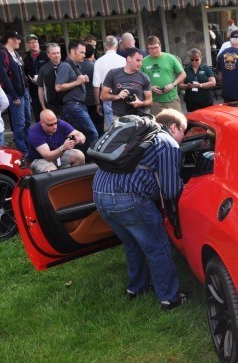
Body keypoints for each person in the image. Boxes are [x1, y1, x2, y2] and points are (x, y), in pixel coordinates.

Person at [92, 109, 187, 311]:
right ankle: (170, 298)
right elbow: (171, 190)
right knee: (158, 247)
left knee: (132, 243)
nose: (184, 138)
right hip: (129, 200)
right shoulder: (168, 144)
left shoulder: (141, 136)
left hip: (99, 195)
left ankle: (137, 288)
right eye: (184, 132)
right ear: (173, 127)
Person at [55, 41, 98, 148]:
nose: (84, 55)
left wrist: (82, 81)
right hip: (73, 106)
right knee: (92, 133)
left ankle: (81, 159)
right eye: (82, 52)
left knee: (78, 136)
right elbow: (58, 87)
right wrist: (77, 82)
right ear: (72, 52)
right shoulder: (66, 66)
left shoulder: (74, 66)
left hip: (77, 106)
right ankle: (92, 161)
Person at [0, 30, 31, 152]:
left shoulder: (15, 53)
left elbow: (20, 73)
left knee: (27, 121)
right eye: (18, 38)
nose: (20, 41)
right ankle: (22, 151)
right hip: (15, 94)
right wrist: (14, 95)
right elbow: (4, 76)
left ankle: (28, 147)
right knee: (19, 123)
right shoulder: (1, 53)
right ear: (10, 39)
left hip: (24, 92)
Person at [26, 109, 86, 173]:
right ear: (42, 123)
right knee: (52, 171)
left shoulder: (60, 123)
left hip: (58, 154)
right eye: (50, 125)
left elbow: (80, 135)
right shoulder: (35, 133)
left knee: (79, 156)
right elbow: (48, 156)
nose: (54, 126)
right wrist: (63, 147)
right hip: (40, 159)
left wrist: (78, 140)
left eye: (55, 123)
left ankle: (73, 179)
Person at [100, 47, 152, 121]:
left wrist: (141, 103)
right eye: (137, 60)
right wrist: (117, 96)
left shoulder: (144, 77)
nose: (140, 63)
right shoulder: (113, 73)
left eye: (141, 61)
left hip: (139, 118)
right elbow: (103, 96)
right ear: (129, 59)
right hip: (119, 118)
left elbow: (149, 101)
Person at [141, 36, 186, 114]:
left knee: (177, 123)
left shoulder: (170, 58)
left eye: (156, 47)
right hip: (155, 101)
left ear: (160, 46)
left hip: (172, 99)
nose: (154, 50)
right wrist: (150, 87)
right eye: (151, 48)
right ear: (147, 49)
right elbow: (139, 79)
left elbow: (183, 74)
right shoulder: (143, 61)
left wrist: (173, 84)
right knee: (158, 125)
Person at [93, 36, 126, 128]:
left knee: (111, 129)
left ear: (105, 46)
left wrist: (97, 103)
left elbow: (96, 85)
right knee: (125, 126)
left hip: (107, 98)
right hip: (123, 97)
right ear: (117, 46)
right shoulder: (123, 60)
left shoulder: (99, 62)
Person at [179, 48, 216, 112]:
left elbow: (213, 82)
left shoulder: (206, 68)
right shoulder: (186, 70)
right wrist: (188, 86)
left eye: (196, 59)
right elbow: (180, 85)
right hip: (191, 101)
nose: (194, 61)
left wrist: (200, 85)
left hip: (205, 100)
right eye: (192, 60)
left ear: (200, 58)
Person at [23, 34, 50, 120]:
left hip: (47, 90)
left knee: (50, 114)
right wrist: (28, 79)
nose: (34, 44)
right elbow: (24, 73)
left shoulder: (46, 55)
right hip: (34, 91)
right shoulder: (25, 58)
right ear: (28, 44)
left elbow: (51, 70)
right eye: (31, 43)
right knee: (38, 115)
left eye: (35, 42)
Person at [80, 43, 104, 137]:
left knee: (86, 129)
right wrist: (98, 102)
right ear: (93, 54)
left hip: (82, 101)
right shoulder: (95, 66)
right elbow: (98, 85)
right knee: (98, 127)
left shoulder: (77, 66)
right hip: (94, 101)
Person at [36, 42, 63, 114]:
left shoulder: (66, 66)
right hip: (52, 106)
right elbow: (41, 88)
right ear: (48, 55)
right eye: (54, 53)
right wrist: (43, 106)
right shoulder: (43, 69)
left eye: (58, 53)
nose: (57, 55)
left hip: (67, 104)